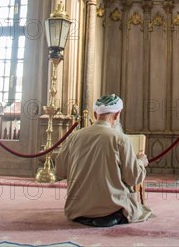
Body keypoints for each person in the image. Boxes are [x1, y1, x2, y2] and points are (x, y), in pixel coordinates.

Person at [55, 93, 152, 227]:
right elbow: (133, 178)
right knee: (140, 210)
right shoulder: (120, 139)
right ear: (117, 115)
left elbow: (60, 171)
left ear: (95, 114)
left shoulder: (74, 137)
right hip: (110, 212)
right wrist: (141, 162)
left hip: (76, 211)